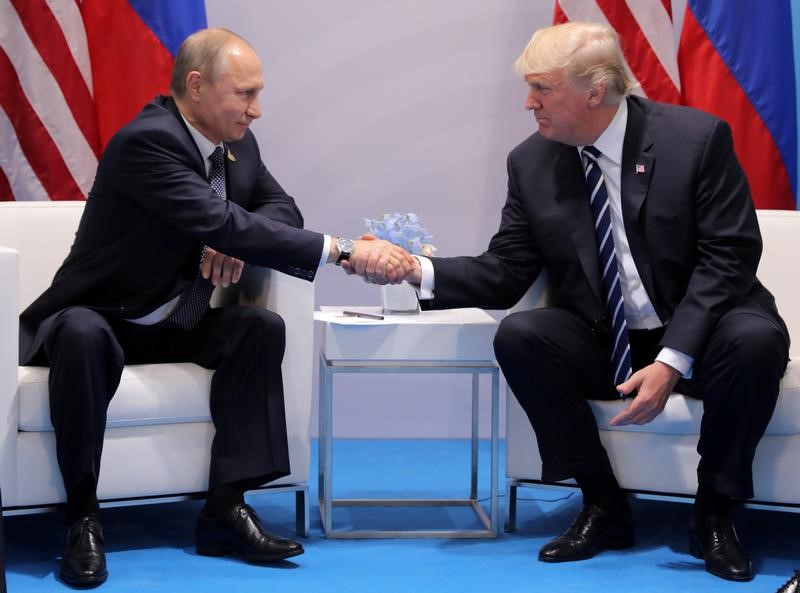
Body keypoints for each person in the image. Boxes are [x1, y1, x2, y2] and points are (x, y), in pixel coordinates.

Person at [391, 21, 789, 582]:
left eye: (543, 88)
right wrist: (416, 270)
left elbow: (728, 256)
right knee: (522, 335)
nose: (529, 102)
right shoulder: (532, 162)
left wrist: (672, 360)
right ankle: (603, 505)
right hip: (609, 334)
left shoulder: (695, 139)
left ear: (595, 90)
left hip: (707, 326)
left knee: (755, 340)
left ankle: (715, 512)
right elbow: (507, 271)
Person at [19, 28, 414, 588]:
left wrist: (230, 240)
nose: (257, 109)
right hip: (101, 315)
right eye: (245, 93)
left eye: (258, 94)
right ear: (197, 86)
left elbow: (282, 208)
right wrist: (345, 250)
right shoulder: (147, 141)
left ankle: (225, 508)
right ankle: (82, 516)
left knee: (257, 327)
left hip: (175, 321)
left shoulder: (235, 144)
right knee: (82, 334)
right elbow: (222, 218)